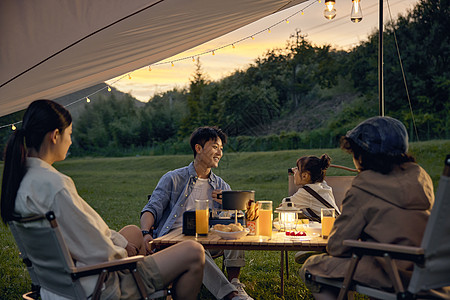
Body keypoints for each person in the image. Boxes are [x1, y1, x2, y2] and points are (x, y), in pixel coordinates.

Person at [0, 100, 205, 300]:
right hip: (100, 286)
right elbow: (101, 253)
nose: (70, 141)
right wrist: (127, 255)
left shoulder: (20, 182)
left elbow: (83, 234)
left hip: (56, 289)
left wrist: (122, 243)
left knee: (132, 233)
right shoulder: (55, 185)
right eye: (69, 134)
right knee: (194, 251)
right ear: (55, 136)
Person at [300, 116, 435, 300]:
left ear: (362, 156)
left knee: (311, 267)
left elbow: (337, 246)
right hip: (429, 273)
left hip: (393, 273)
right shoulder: (421, 180)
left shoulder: (363, 187)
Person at [140, 126, 253, 300]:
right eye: (215, 147)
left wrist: (229, 204)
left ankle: (235, 282)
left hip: (208, 237)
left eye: (221, 149)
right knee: (196, 246)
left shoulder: (221, 185)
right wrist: (146, 233)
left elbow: (238, 218)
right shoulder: (173, 178)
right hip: (175, 240)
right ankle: (230, 295)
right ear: (198, 149)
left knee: (235, 232)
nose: (219, 153)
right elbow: (151, 208)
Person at [289, 154, 340, 219]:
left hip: (329, 227)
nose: (294, 171)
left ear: (305, 176)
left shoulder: (306, 193)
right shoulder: (323, 186)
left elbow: (285, 205)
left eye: (297, 169)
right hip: (340, 224)